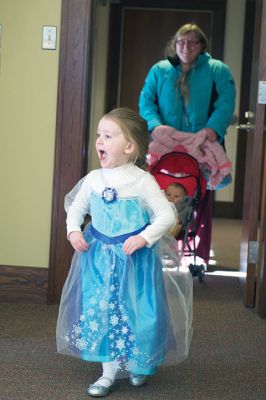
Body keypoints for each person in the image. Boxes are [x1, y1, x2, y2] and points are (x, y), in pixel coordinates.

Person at [56, 108, 193, 397]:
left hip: (135, 261)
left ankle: (138, 364)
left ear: (130, 146)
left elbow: (166, 216)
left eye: (107, 136)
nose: (99, 141)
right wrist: (74, 231)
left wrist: (143, 238)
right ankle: (107, 373)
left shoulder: (142, 181)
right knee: (102, 312)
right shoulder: (94, 179)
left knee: (138, 313)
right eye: (98, 136)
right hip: (99, 262)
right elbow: (76, 208)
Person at [139, 23, 236, 263]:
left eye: (192, 42)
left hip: (203, 144)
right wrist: (155, 125)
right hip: (166, 145)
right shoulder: (159, 70)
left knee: (197, 196)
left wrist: (214, 128)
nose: (186, 47)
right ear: (175, 44)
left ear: (201, 45)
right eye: (181, 42)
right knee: (162, 192)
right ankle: (160, 241)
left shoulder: (217, 70)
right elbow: (146, 101)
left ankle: (196, 251)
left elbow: (226, 101)